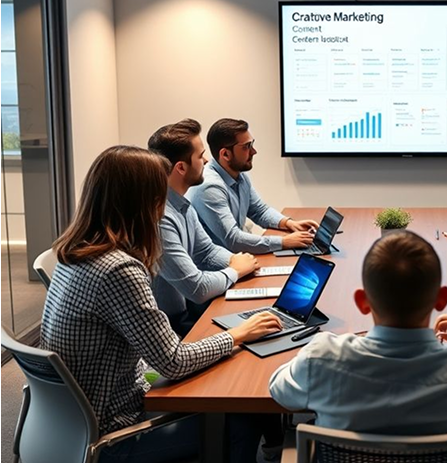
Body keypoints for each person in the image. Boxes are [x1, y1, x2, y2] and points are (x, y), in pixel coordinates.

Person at [40, 146, 282, 462]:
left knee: (221, 384)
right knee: (240, 417)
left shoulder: (75, 251)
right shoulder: (118, 269)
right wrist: (239, 334)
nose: (163, 204)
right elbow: (174, 361)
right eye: (158, 194)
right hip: (114, 433)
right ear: (142, 201)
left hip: (68, 424)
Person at [269, 231, 447, 434]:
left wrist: (335, 344)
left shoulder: (323, 357)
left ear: (362, 302)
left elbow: (280, 390)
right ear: (442, 299)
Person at [148, 119, 259, 335]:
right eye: (200, 156)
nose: (207, 161)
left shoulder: (182, 205)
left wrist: (237, 261)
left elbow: (206, 251)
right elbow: (197, 289)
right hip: (170, 328)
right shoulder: (160, 218)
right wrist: (235, 270)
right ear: (181, 167)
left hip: (184, 315)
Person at [189, 118, 317, 254]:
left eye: (252, 145)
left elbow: (259, 210)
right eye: (246, 147)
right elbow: (233, 240)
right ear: (225, 154)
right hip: (217, 267)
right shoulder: (210, 187)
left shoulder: (239, 175)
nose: (253, 151)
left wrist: (289, 223)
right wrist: (283, 242)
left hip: (236, 259)